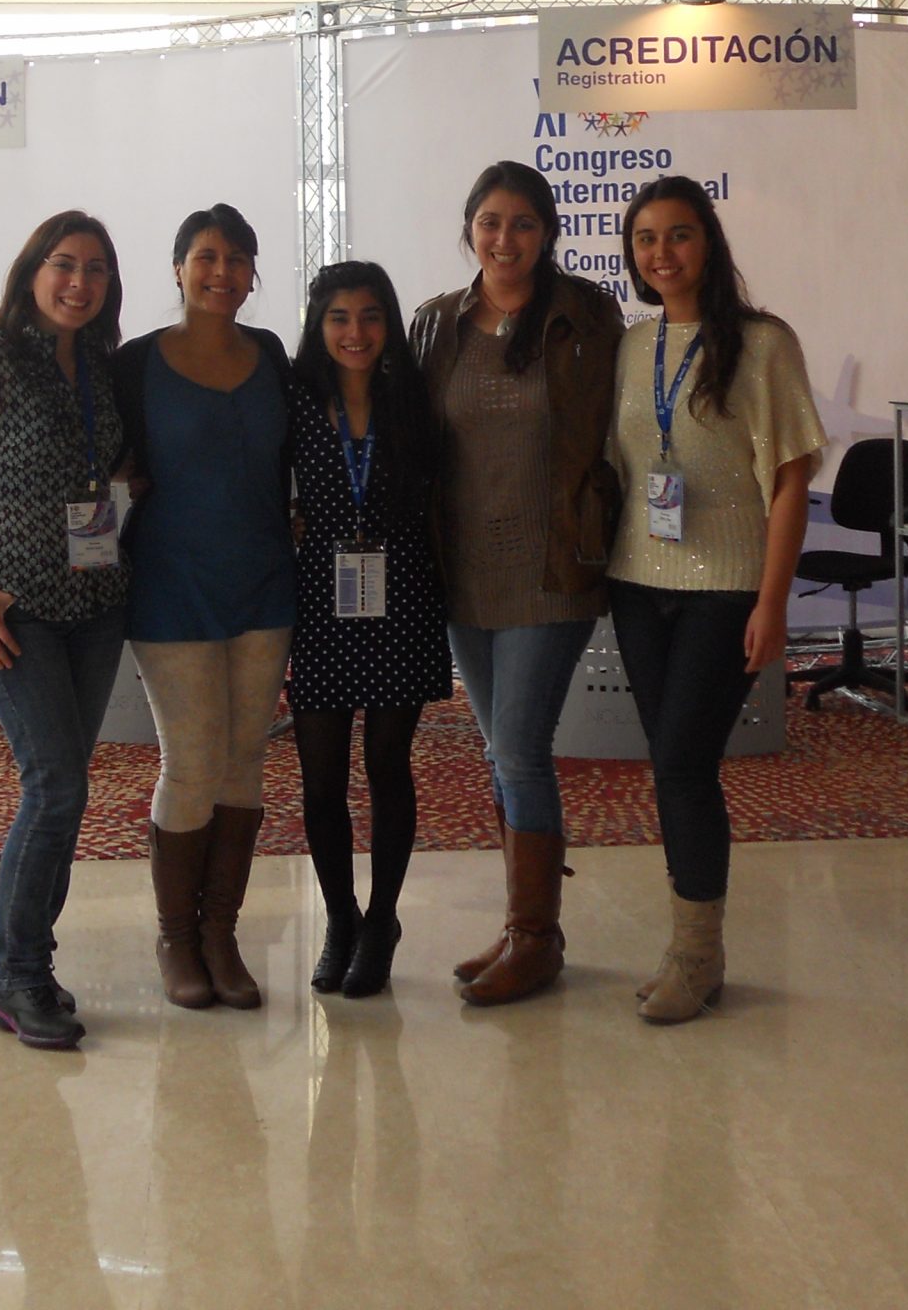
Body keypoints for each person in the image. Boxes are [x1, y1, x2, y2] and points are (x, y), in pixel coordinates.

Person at [607, 176, 824, 1023]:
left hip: (726, 590)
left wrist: (773, 602)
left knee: (684, 766)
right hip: (638, 584)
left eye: (679, 234)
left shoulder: (763, 344)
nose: (661, 253)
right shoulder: (633, 345)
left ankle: (697, 955)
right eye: (646, 238)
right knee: (671, 766)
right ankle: (689, 947)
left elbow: (791, 482)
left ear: (709, 243)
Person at [410, 160, 623, 1006]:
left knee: (520, 750)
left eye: (524, 223)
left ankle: (537, 939)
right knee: (500, 752)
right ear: (470, 228)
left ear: (548, 232)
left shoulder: (586, 315)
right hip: (463, 570)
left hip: (553, 566)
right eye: (491, 222)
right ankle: (520, 927)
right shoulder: (436, 324)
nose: (506, 239)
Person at [0, 212, 131, 1050]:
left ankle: (31, 966)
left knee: (66, 788)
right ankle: (16, 977)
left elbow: (107, 471)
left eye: (97, 269)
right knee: (55, 786)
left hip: (98, 604)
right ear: (32, 270)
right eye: (64, 264)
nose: (80, 283)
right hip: (16, 610)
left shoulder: (103, 368)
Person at [112, 204, 297, 1011]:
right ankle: (176, 939)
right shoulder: (136, 362)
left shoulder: (273, 355)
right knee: (191, 762)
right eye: (206, 257)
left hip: (264, 581)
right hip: (170, 583)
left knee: (245, 760)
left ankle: (221, 934)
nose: (222, 272)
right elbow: (100, 458)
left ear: (253, 273)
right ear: (179, 268)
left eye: (237, 259)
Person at [285, 262, 449, 998]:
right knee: (320, 778)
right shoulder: (295, 398)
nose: (356, 332)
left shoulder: (415, 396)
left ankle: (382, 921)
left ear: (390, 324)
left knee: (388, 766)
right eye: (340, 318)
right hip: (322, 597)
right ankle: (340, 918)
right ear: (318, 327)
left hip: (402, 592)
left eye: (371, 316)